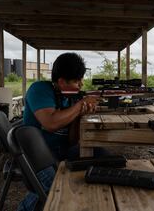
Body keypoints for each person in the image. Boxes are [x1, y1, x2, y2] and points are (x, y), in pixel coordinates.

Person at [18, 52, 99, 211]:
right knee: (59, 190)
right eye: (77, 80)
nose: (81, 84)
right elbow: (50, 123)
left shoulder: (70, 98)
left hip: (61, 152)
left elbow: (72, 141)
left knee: (103, 157)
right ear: (61, 81)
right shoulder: (39, 89)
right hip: (37, 157)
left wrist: (78, 116)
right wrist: (79, 106)